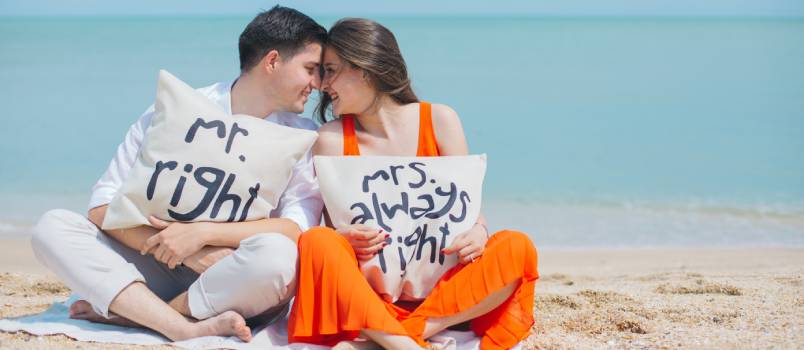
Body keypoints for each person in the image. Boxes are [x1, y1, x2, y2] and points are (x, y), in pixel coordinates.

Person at [30, 6, 325, 342]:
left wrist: (202, 234)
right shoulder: (177, 108)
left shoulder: (301, 135)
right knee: (53, 227)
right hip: (152, 263)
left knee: (278, 258)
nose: (317, 84)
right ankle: (179, 327)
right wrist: (182, 250)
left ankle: (138, 314)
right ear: (272, 61)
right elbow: (102, 206)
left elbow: (295, 229)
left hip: (232, 274)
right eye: (310, 69)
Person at [288, 18, 539, 350]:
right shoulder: (331, 139)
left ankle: (404, 336)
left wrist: (479, 231)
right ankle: (403, 341)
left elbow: (466, 205)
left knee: (517, 246)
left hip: (445, 296)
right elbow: (336, 233)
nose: (323, 84)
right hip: (372, 298)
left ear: (365, 68)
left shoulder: (439, 120)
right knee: (318, 241)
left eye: (331, 71)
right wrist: (344, 237)